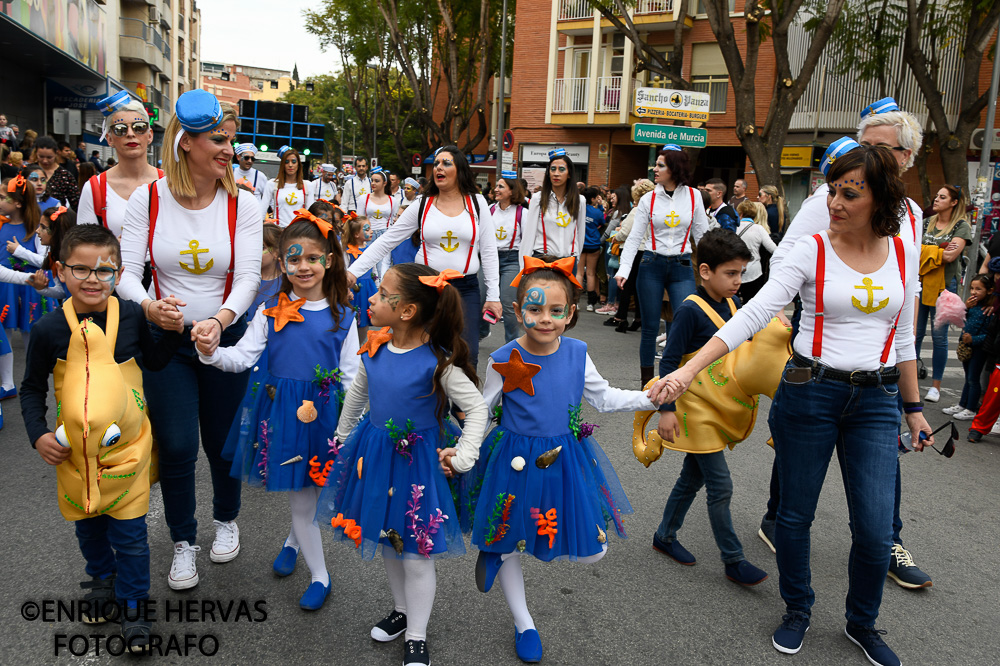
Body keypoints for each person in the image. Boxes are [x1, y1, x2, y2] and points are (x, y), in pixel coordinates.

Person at [651, 144, 931, 666]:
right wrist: (686, 370)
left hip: (876, 401)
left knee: (873, 528)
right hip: (810, 392)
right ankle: (797, 608)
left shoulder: (902, 251)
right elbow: (752, 315)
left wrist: (913, 408)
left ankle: (862, 622)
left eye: (851, 193)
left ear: (881, 197)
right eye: (832, 191)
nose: (836, 202)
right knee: (795, 518)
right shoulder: (811, 250)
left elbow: (907, 337)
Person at [760, 98, 932, 594]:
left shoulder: (913, 215)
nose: (867, 156)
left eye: (881, 149)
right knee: (800, 452)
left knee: (879, 473)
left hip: (882, 359)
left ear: (906, 158)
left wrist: (913, 401)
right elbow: (787, 262)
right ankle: (779, 518)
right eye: (862, 146)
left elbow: (908, 294)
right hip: (818, 350)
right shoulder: (831, 199)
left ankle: (888, 543)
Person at [468, 257, 657, 663]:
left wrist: (650, 397)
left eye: (556, 311)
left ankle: (498, 550)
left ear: (571, 313)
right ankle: (524, 621)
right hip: (514, 459)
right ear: (518, 312)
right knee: (509, 536)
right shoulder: (503, 356)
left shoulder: (576, 352)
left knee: (594, 550)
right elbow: (481, 409)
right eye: (534, 309)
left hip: (563, 458)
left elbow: (602, 397)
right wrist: (463, 452)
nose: (545, 319)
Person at [117, 89, 264, 591]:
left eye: (230, 139)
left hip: (224, 339)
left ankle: (227, 519)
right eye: (218, 140)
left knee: (223, 444)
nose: (229, 148)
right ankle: (183, 541)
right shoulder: (148, 198)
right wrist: (148, 306)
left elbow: (248, 277)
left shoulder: (245, 201)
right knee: (177, 444)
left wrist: (220, 322)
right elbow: (127, 274)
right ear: (186, 144)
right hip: (166, 342)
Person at [19, 224, 181, 652]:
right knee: (88, 525)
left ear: (120, 271)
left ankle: (135, 609)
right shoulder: (48, 330)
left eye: (104, 270)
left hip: (127, 451)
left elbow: (156, 361)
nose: (93, 279)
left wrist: (173, 327)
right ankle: (101, 579)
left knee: (130, 535)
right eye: (81, 269)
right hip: (73, 456)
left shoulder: (129, 315)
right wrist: (37, 434)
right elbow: (32, 388)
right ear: (60, 271)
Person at [318, 263, 488, 666]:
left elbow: (477, 409)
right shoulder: (374, 347)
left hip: (418, 466)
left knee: (416, 553)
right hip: (375, 456)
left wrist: (464, 456)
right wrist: (342, 437)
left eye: (380, 293)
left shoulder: (437, 362)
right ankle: (402, 610)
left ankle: (417, 634)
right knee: (389, 542)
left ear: (407, 310)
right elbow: (359, 394)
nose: (371, 299)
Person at [199, 211, 357, 611]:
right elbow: (242, 358)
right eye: (293, 258)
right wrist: (211, 353)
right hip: (285, 416)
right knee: (301, 496)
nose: (302, 266)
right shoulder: (271, 310)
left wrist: (351, 427)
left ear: (329, 261)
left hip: (325, 418)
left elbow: (352, 379)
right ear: (283, 263)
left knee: (312, 488)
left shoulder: (344, 316)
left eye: (312, 258)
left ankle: (292, 541)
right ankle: (321, 575)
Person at [651, 229, 768, 585]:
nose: (738, 281)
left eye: (741, 273)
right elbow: (669, 362)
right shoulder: (690, 310)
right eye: (730, 273)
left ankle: (664, 536)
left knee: (692, 476)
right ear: (705, 271)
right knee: (721, 485)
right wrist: (666, 411)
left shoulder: (733, 305)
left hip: (715, 409)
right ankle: (733, 560)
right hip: (693, 410)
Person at [344, 146, 501, 363]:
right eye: (436, 163)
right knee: (428, 354)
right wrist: (353, 271)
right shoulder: (422, 204)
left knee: (466, 355)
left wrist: (493, 296)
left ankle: (461, 398)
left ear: (460, 170)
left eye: (446, 163)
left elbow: (490, 252)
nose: (439, 167)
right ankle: (433, 397)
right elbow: (386, 241)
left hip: (465, 289)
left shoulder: (477, 202)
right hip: (427, 289)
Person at [616, 145, 709, 386]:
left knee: (683, 323)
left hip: (682, 266)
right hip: (651, 264)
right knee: (649, 328)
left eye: (660, 166)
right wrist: (624, 269)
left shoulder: (693, 196)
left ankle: (674, 379)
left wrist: (712, 268)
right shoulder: (649, 198)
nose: (654, 169)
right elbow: (635, 237)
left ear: (674, 168)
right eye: (655, 165)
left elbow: (701, 235)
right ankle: (646, 384)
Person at [78, 92, 161, 238]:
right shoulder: (95, 188)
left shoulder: (169, 183)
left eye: (139, 127)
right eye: (120, 129)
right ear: (109, 139)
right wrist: (114, 247)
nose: (130, 134)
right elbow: (84, 244)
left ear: (150, 135)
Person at [915, 184, 970, 403]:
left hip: (945, 287)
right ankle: (910, 381)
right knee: (915, 334)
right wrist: (938, 251)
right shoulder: (927, 223)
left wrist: (926, 251)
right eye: (937, 196)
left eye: (942, 197)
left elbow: (950, 257)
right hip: (920, 283)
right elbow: (912, 251)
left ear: (954, 202)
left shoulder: (961, 226)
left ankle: (935, 387)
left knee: (939, 337)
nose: (936, 199)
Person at [518, 150, 586, 268]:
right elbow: (529, 234)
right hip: (542, 260)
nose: (556, 173)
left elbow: (580, 232)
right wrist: (523, 266)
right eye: (553, 169)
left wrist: (576, 257)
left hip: (568, 262)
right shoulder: (537, 198)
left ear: (569, 173)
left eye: (562, 169)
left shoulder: (580, 200)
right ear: (548, 173)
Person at [941, 273, 993, 420]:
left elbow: (989, 335)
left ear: (989, 291)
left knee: (973, 378)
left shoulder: (988, 310)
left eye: (978, 289)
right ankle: (963, 404)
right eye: (972, 288)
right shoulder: (972, 305)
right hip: (967, 347)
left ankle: (971, 408)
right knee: (968, 378)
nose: (973, 292)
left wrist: (973, 339)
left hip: (978, 348)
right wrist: (966, 307)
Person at [606, 179, 654, 332]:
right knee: (642, 287)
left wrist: (615, 237)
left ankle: (621, 317)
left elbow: (625, 232)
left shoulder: (637, 210)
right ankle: (639, 318)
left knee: (626, 286)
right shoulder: (656, 210)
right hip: (649, 251)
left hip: (635, 251)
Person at [487, 171, 526, 343]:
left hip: (511, 260)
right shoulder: (489, 210)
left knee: (509, 303)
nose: (496, 189)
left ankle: (511, 343)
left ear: (512, 191)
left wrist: (525, 267)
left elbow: (526, 241)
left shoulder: (522, 213)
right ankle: (481, 331)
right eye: (496, 186)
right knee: (481, 298)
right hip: (489, 259)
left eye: (500, 186)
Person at [734, 200, 777, 302]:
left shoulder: (734, 227)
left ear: (740, 213)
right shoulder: (759, 229)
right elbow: (773, 249)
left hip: (735, 271)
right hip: (754, 273)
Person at [343, 214, 378, 330]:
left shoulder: (370, 249)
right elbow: (343, 270)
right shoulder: (347, 250)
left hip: (368, 287)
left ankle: (362, 344)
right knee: (352, 318)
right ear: (356, 234)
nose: (371, 231)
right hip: (355, 288)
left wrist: (377, 286)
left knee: (365, 319)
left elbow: (373, 269)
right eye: (367, 229)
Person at [362, 166, 398, 278]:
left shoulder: (393, 200)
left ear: (384, 183)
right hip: (368, 234)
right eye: (372, 180)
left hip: (385, 234)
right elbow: (360, 219)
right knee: (366, 266)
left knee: (383, 267)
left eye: (377, 181)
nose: (373, 183)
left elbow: (393, 220)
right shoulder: (364, 198)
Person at [576, 186, 605, 311]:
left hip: (580, 244)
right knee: (591, 273)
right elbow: (602, 222)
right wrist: (600, 207)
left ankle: (575, 301)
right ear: (593, 198)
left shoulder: (579, 210)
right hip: (593, 244)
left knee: (579, 273)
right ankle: (590, 303)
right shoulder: (597, 212)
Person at [33, 136, 80, 210]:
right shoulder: (27, 171)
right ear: (36, 153)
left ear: (56, 153)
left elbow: (76, 203)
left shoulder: (65, 175)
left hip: (56, 218)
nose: (45, 161)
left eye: (49, 157)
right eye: (41, 156)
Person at [270, 146, 312, 227]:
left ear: (298, 164)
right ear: (282, 165)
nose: (290, 165)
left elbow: (310, 213)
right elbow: (262, 210)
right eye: (286, 162)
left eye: (293, 162)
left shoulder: (307, 185)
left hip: (298, 231)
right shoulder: (272, 184)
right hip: (279, 231)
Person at [233, 143, 270, 217]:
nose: (250, 161)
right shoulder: (231, 173)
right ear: (238, 157)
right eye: (246, 158)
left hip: (253, 216)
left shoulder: (260, 176)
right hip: (234, 214)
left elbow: (268, 197)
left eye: (252, 159)